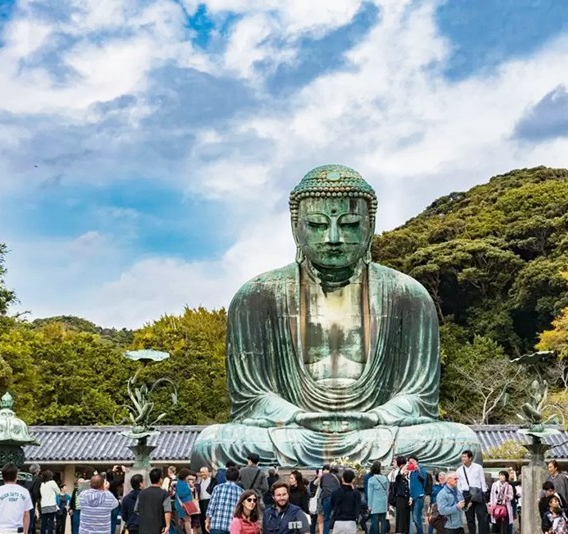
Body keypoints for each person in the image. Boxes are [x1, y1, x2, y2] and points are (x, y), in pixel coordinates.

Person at [189, 165, 481, 469]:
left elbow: (418, 397)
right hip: (295, 431)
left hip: (377, 430)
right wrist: (297, 416)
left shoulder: (408, 295)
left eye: (349, 224)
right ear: (295, 228)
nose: (332, 238)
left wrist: (376, 416)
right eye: (316, 224)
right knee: (213, 443)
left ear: (369, 226)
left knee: (460, 441)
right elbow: (252, 398)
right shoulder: (257, 296)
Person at [0, 463, 33, 534]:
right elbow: (26, 514)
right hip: (18, 531)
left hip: (0, 531)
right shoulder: (24, 492)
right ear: (16, 476)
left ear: (2, 476)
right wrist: (25, 532)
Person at [456, 450, 488, 534]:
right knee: (469, 518)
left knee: (482, 516)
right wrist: (460, 497)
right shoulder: (459, 470)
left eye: (465, 457)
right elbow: (459, 485)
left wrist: (484, 493)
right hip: (466, 494)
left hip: (478, 493)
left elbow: (482, 480)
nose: (463, 458)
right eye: (462, 457)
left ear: (470, 458)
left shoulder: (478, 467)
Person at [207, 467, 246, 534]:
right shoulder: (241, 491)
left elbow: (211, 506)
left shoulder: (217, 488)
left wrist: (207, 520)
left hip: (217, 524)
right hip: (233, 527)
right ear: (237, 478)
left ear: (225, 477)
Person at [136, 468, 172, 534]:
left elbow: (136, 510)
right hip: (159, 528)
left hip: (143, 528)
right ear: (161, 479)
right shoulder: (164, 494)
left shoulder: (141, 493)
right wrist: (167, 526)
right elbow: (167, 510)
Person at [390, 457, 411, 534]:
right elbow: (397, 478)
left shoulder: (409, 477)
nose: (406, 470)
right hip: (400, 499)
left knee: (406, 519)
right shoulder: (397, 474)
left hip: (407, 499)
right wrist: (402, 471)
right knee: (400, 519)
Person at [407, 456, 428, 534]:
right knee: (415, 517)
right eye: (409, 461)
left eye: (412, 461)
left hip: (419, 496)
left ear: (416, 461)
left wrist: (417, 469)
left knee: (416, 517)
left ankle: (420, 532)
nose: (411, 462)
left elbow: (424, 477)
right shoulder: (411, 471)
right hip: (412, 497)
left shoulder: (421, 468)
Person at [367, 463, 389, 534]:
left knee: (375, 522)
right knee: (383, 521)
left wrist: (369, 505)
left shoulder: (371, 480)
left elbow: (370, 494)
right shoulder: (385, 478)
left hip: (375, 503)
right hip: (384, 502)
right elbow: (387, 491)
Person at [320, 465, 341, 534]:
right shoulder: (339, 477)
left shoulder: (324, 476)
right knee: (337, 517)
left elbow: (321, 486)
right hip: (336, 499)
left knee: (326, 518)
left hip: (326, 498)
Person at [175, 468, 197, 534]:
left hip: (182, 506)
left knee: (181, 522)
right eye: (187, 475)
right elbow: (180, 494)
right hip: (184, 506)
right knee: (187, 520)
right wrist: (189, 490)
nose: (188, 476)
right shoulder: (181, 483)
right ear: (185, 475)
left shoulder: (181, 482)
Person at [198, 467, 218, 534]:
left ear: (208, 472)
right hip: (201, 502)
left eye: (204, 472)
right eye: (201, 472)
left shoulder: (212, 481)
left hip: (209, 501)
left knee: (209, 519)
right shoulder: (200, 482)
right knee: (202, 520)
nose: (202, 473)